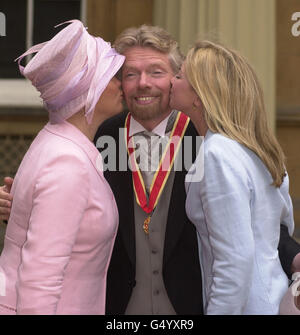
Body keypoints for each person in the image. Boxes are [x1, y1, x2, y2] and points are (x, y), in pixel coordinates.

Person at [1, 25, 300, 315]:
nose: (143, 83)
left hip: (191, 307)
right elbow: (67, 213)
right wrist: (24, 207)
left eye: (156, 72)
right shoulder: (101, 135)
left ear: (177, 79)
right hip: (116, 307)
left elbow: (258, 220)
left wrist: (293, 257)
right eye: (130, 74)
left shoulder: (207, 140)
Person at [0, 19, 125, 314]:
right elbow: (40, 280)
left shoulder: (58, 142)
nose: (121, 84)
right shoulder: (68, 163)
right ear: (88, 92)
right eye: (110, 77)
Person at [170, 39, 298, 314]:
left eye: (179, 75)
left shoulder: (217, 154)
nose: (171, 80)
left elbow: (234, 262)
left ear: (198, 96)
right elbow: (283, 226)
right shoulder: (255, 148)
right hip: (273, 296)